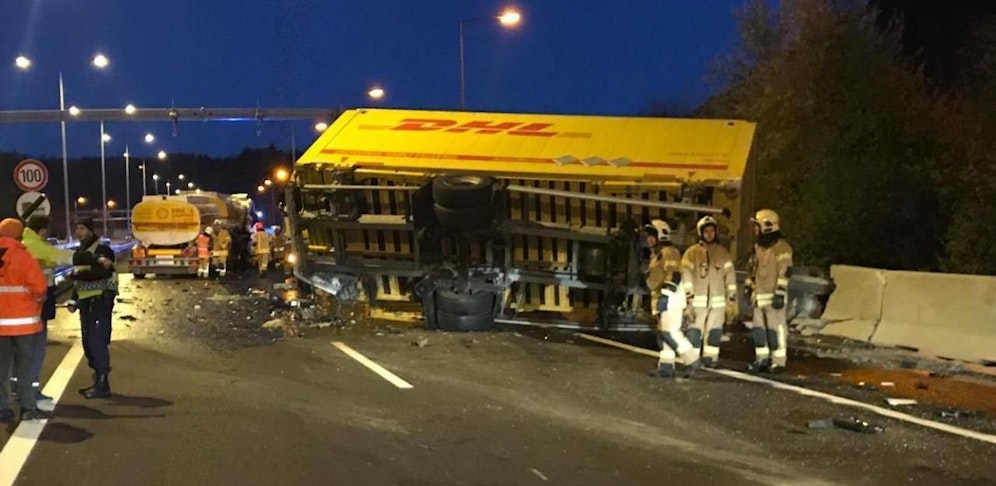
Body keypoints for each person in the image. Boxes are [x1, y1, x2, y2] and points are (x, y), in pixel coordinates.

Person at [0, 218, 51, 422]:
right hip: (25, 325)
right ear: (19, 235)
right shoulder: (23, 257)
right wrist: (38, 299)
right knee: (25, 369)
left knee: (2, 368)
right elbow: (39, 287)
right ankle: (28, 407)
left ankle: (2, 408)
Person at [21, 215, 74, 403]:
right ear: (42, 230)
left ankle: (18, 389)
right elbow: (59, 257)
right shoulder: (34, 245)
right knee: (35, 349)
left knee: (20, 352)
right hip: (38, 301)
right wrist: (90, 258)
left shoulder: (24, 243)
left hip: (25, 304)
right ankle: (30, 391)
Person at [67, 218, 117, 399]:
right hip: (86, 303)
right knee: (88, 343)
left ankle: (102, 384)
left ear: (90, 230)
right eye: (77, 228)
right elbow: (79, 280)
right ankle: (98, 378)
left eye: (82, 228)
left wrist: (78, 273)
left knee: (97, 342)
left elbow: (103, 273)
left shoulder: (103, 250)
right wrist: (74, 300)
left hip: (100, 300)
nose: (78, 232)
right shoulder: (81, 252)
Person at [644, 220, 701, 378]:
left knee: (669, 332)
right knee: (663, 333)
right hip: (665, 299)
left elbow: (674, 274)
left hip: (671, 299)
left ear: (660, 235)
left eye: (652, 235)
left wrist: (665, 296)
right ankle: (666, 366)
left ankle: (692, 359)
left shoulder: (669, 252)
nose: (649, 239)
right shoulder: (659, 253)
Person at [681, 216, 736, 368]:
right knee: (695, 331)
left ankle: (710, 359)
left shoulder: (723, 253)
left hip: (717, 304)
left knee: (714, 332)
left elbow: (730, 276)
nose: (709, 234)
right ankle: (693, 359)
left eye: (712, 231)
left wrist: (731, 298)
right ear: (701, 233)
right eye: (706, 231)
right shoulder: (692, 253)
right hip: (696, 302)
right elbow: (686, 274)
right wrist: (688, 297)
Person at [745, 209, 793, 373]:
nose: (755, 230)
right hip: (758, 297)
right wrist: (748, 285)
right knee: (759, 331)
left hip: (774, 297)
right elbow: (753, 268)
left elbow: (785, 270)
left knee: (776, 330)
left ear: (766, 226)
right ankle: (762, 359)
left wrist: (780, 291)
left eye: (756, 226)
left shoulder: (782, 248)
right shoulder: (758, 247)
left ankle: (778, 361)